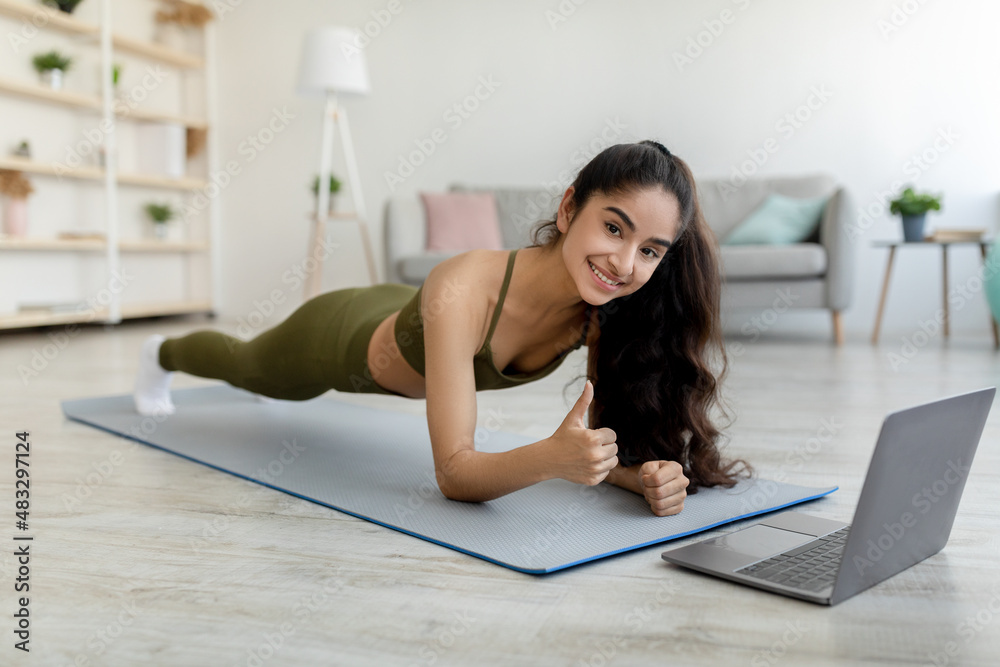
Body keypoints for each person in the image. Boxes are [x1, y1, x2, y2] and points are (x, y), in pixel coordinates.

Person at [133, 140, 751, 516]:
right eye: (613, 228)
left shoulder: (600, 316)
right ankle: (161, 350)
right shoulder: (463, 286)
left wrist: (634, 474)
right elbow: (455, 473)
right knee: (251, 370)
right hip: (341, 336)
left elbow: (589, 448)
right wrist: (549, 460)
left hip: (410, 311)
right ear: (568, 208)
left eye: (650, 250)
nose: (624, 263)